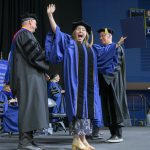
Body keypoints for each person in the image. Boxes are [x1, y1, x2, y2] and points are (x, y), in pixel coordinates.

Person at [45, 4, 121, 150]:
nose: (81, 31)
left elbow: (104, 55)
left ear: (87, 34)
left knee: (86, 111)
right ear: (74, 32)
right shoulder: (69, 43)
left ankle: (82, 139)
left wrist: (115, 45)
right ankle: (76, 139)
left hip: (88, 87)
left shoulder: (90, 48)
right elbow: (57, 32)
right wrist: (50, 16)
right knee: (77, 110)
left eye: (84, 30)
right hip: (75, 86)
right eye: (78, 29)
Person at [8, 12, 50, 150]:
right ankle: (24, 143)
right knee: (28, 108)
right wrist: (48, 56)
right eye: (35, 24)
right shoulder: (24, 34)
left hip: (29, 76)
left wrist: (42, 72)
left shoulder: (20, 35)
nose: (36, 27)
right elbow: (35, 55)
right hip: (27, 78)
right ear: (30, 22)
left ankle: (29, 140)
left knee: (31, 108)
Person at [97, 27, 130, 143]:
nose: (101, 38)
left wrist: (106, 76)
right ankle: (112, 134)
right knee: (107, 108)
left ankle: (118, 134)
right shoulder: (103, 49)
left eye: (103, 36)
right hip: (105, 83)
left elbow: (116, 65)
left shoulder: (117, 48)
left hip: (114, 82)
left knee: (116, 106)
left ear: (110, 36)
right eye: (100, 36)